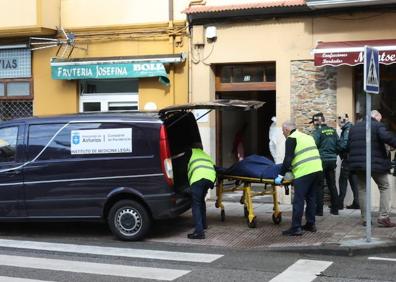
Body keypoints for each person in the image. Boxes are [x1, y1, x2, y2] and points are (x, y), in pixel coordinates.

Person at [348, 110, 396, 227]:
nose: (380, 119)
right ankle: (383, 217)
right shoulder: (377, 125)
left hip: (358, 164)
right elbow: (387, 138)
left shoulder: (354, 127)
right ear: (376, 116)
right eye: (380, 117)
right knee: (384, 187)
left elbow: (348, 145)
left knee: (362, 189)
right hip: (375, 163)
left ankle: (365, 219)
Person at [275, 121, 323, 236]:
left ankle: (296, 227)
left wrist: (280, 176)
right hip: (317, 169)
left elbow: (288, 159)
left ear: (287, 130)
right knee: (311, 198)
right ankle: (311, 224)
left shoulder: (291, 138)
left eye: (282, 131)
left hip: (304, 172)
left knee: (298, 199)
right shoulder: (308, 137)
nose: (283, 133)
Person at [310, 112, 340, 216]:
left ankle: (319, 211)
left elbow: (313, 145)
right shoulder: (333, 131)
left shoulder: (318, 132)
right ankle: (335, 209)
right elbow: (339, 144)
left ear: (317, 122)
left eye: (313, 122)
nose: (313, 124)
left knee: (320, 185)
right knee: (332, 184)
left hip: (321, 161)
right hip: (332, 161)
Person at [186, 142, 216, 239]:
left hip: (198, 179)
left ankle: (199, 232)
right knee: (201, 201)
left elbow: (185, 168)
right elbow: (214, 167)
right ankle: (203, 224)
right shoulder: (205, 155)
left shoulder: (191, 153)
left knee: (196, 205)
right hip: (210, 178)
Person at [337, 114, 359, 210]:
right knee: (354, 182)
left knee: (342, 181)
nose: (338, 125)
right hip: (354, 159)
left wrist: (337, 146)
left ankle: (339, 203)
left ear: (343, 121)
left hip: (348, 159)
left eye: (339, 123)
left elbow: (344, 145)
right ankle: (357, 203)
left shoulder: (347, 130)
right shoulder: (353, 128)